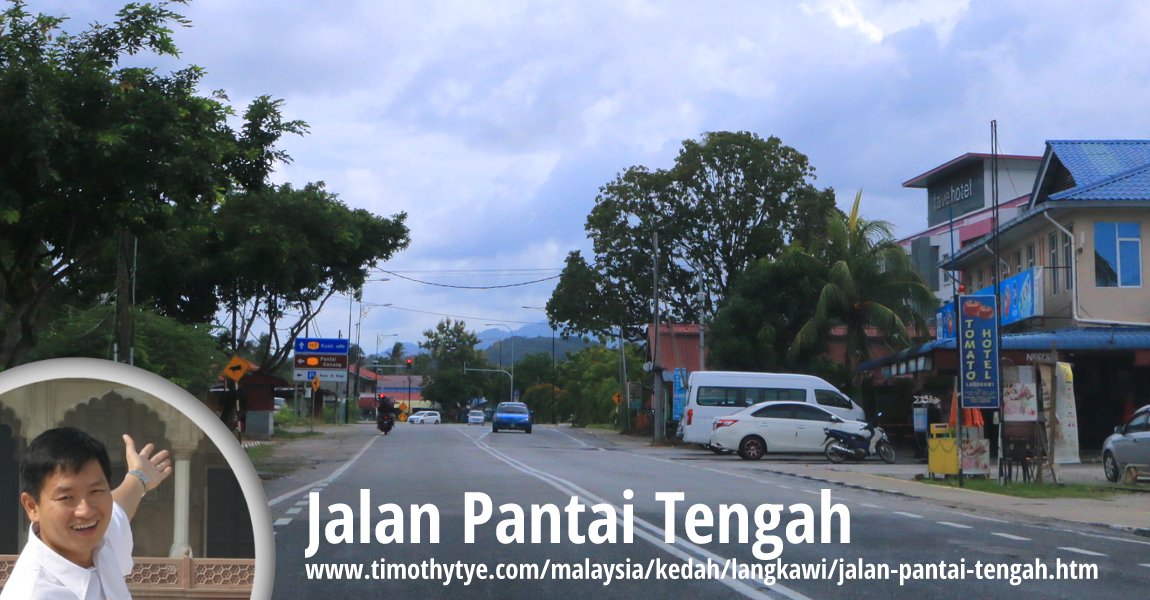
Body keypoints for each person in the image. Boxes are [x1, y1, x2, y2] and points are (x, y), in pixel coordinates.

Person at [1, 427, 174, 600]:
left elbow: (119, 507)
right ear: (32, 506)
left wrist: (139, 477)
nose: (86, 511)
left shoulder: (99, 540)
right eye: (67, 497)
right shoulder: (33, 593)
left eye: (96, 491)